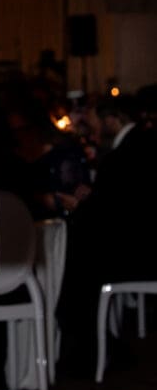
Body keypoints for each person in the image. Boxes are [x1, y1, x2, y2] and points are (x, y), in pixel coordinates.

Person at [57, 94, 157, 374]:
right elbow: (123, 201)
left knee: (78, 259)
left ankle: (88, 350)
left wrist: (79, 205)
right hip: (142, 243)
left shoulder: (122, 155)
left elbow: (109, 212)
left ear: (111, 119)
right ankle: (100, 344)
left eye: (96, 122)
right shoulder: (144, 143)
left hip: (139, 253)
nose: (94, 130)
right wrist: (93, 198)